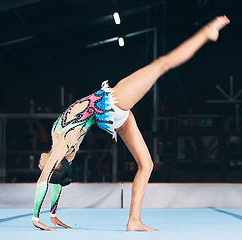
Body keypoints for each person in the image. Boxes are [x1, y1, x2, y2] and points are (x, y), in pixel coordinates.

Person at [32, 16, 230, 231]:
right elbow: (45, 180)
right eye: (44, 167)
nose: (39, 165)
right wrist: (36, 218)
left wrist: (53, 214)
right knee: (162, 63)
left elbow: (56, 183)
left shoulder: (64, 151)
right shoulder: (61, 145)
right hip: (115, 100)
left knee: (147, 164)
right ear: (53, 165)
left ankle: (133, 220)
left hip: (115, 119)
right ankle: (206, 32)